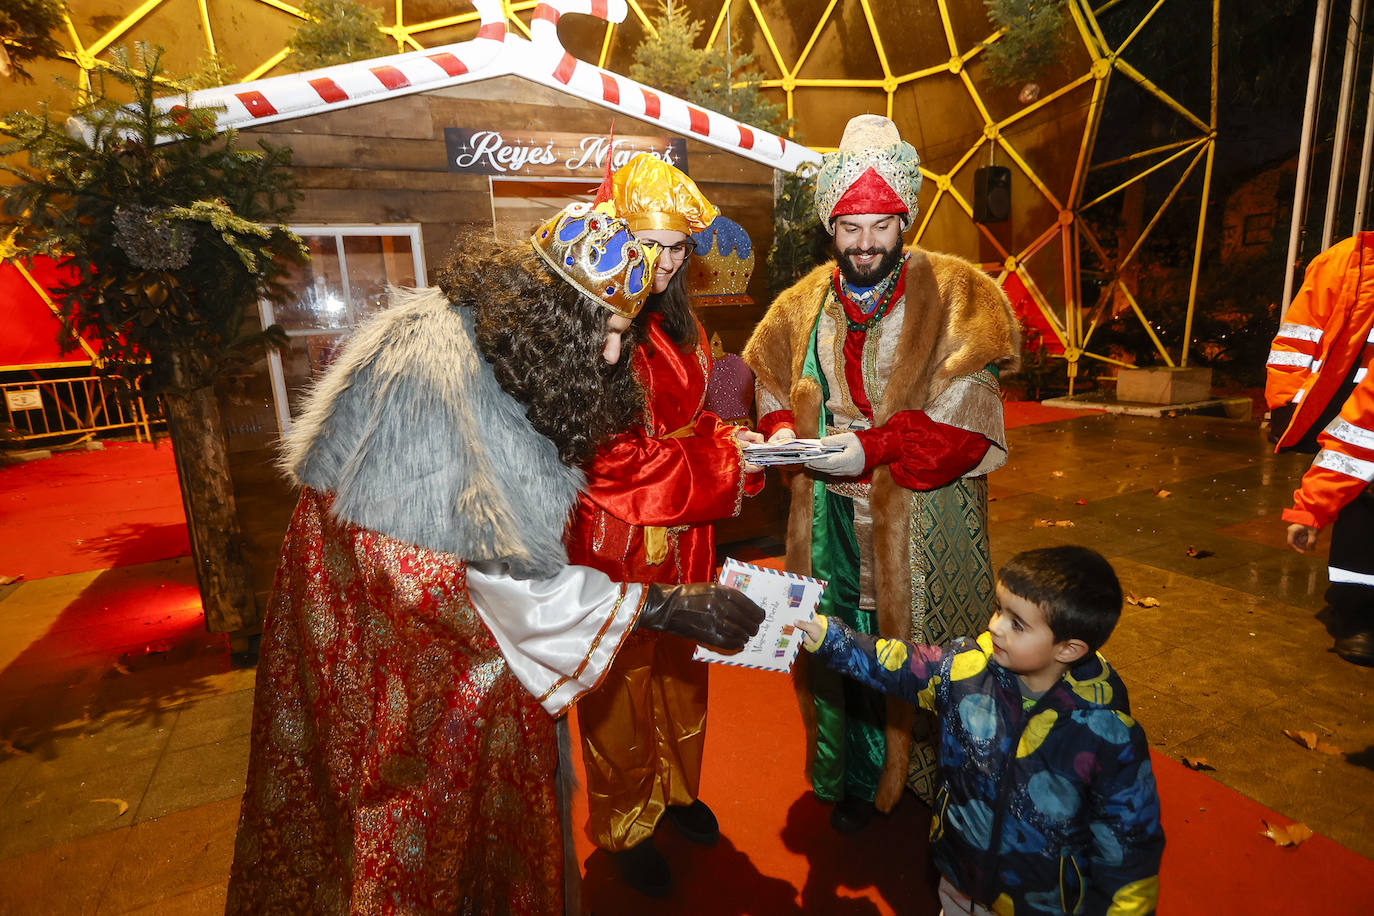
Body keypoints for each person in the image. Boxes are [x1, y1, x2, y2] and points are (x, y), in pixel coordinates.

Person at [225, 203, 765, 915]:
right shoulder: (445, 390)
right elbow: (496, 580)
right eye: (606, 333)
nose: (611, 356)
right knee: (424, 810)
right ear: (556, 315)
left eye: (622, 334)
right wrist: (657, 604)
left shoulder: (495, 343)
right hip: (409, 647)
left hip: (378, 612)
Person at [743, 114, 1019, 830]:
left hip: (920, 523)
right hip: (829, 518)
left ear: (905, 219)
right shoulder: (803, 301)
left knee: (922, 649)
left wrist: (874, 448)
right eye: (850, 227)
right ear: (830, 227)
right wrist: (782, 435)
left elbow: (967, 418)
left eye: (880, 226)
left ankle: (930, 781)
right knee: (834, 639)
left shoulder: (960, 292)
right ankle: (851, 775)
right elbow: (769, 383)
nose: (866, 243)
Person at [566, 154, 765, 897]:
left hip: (687, 532)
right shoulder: (596, 323)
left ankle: (679, 791)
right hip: (617, 534)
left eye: (679, 248)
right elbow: (610, 462)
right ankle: (625, 823)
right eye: (650, 244)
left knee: (684, 671)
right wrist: (724, 464)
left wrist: (736, 437)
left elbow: (697, 418)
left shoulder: (685, 321)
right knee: (620, 680)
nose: (664, 262)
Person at [795, 546, 1164, 916]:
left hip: (1041, 903)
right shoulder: (967, 670)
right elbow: (899, 664)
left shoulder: (1107, 735)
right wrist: (828, 637)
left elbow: (1130, 849)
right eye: (1000, 609)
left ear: (1068, 649)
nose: (994, 626)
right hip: (959, 875)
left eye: (1017, 624)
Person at [1266, 232, 1374, 666]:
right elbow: (1296, 338)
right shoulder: (1344, 262)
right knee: (1363, 500)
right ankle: (1359, 612)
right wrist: (1285, 402)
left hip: (1354, 419)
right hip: (1345, 413)